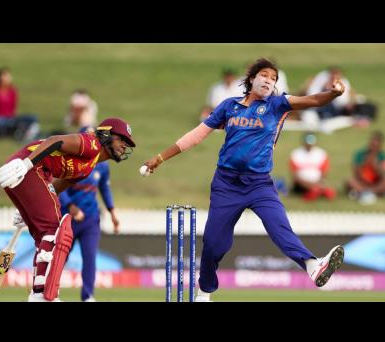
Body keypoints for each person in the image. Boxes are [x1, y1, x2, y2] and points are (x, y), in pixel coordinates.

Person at [143, 58, 345, 302]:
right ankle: (204, 291)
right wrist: (160, 157)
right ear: (252, 79)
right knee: (214, 244)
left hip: (259, 184)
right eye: (265, 75)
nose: (269, 80)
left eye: (273, 78)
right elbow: (196, 136)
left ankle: (312, 265)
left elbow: (313, 100)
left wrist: (332, 94)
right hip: (226, 184)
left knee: (279, 227)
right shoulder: (230, 106)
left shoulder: (278, 104)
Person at [0, 117, 135, 302]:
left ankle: (38, 292)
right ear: (107, 134)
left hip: (34, 174)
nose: (124, 145)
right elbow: (54, 141)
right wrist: (26, 164)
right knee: (53, 228)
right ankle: (41, 295)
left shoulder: (89, 167)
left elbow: (58, 186)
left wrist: (29, 207)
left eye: (127, 143)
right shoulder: (91, 143)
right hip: (27, 167)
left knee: (43, 236)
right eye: (121, 139)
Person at [59, 128, 119, 302]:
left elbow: (105, 188)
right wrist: (70, 206)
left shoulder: (102, 164)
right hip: (68, 218)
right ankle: (48, 292)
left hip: (91, 219)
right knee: (59, 258)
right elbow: (56, 185)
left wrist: (112, 211)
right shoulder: (71, 159)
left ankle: (87, 296)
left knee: (90, 258)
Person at [346, 131, 385, 205]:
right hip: (362, 182)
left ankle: (365, 192)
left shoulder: (383, 156)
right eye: (372, 144)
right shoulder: (360, 154)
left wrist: (375, 165)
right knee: (349, 181)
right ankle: (374, 193)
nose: (373, 147)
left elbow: (384, 176)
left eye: (376, 145)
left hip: (376, 183)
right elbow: (356, 174)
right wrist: (364, 164)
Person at [289, 132, 336, 201]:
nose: (309, 145)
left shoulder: (321, 154)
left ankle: (317, 191)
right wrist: (308, 184)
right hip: (301, 184)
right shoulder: (296, 154)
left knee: (329, 192)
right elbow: (295, 175)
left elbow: (324, 173)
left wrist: (318, 183)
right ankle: (315, 192)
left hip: (317, 182)